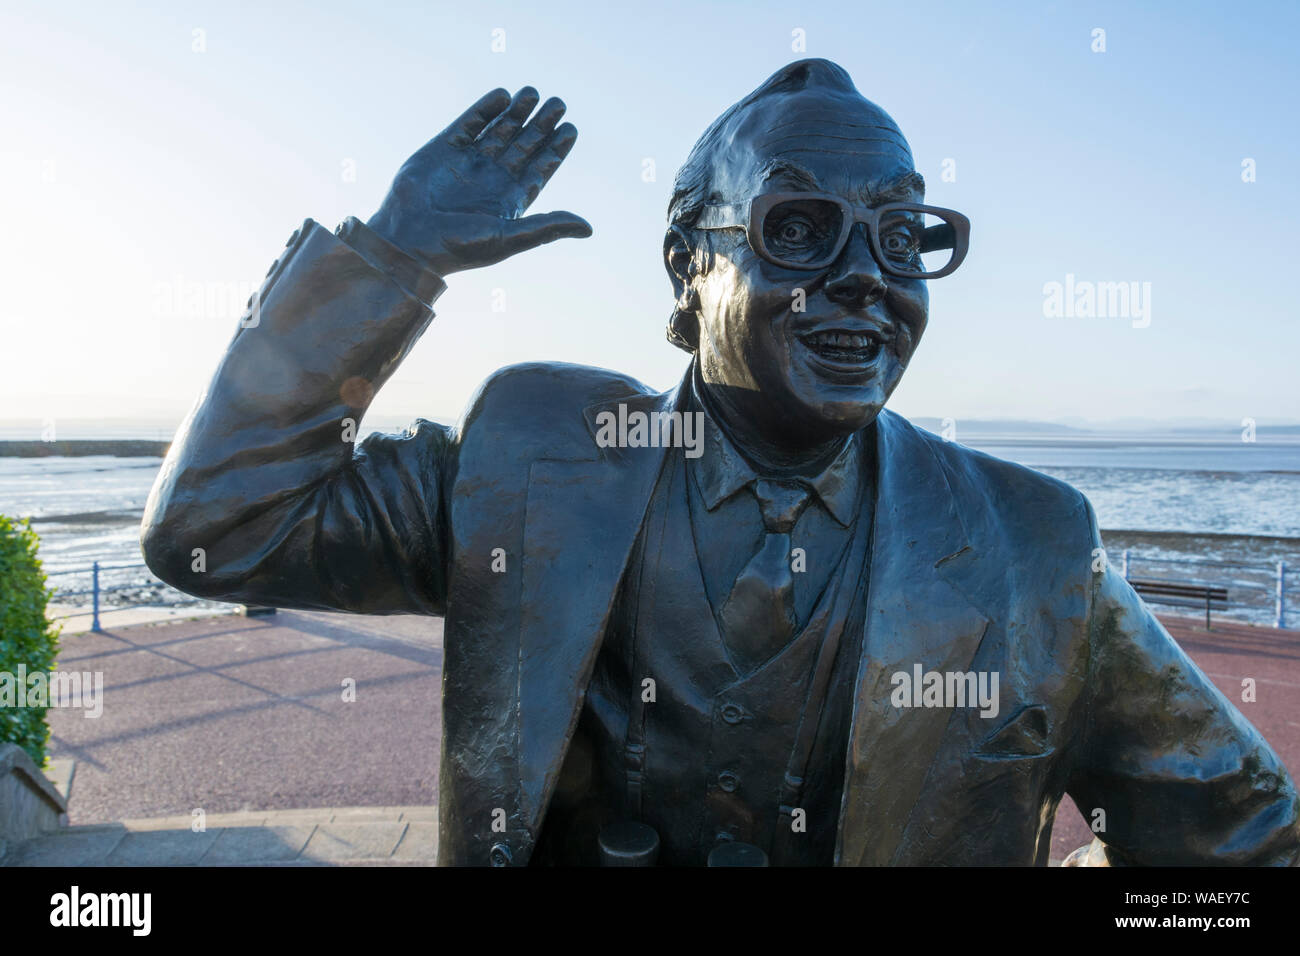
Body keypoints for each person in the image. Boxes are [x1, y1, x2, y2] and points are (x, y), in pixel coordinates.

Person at [142, 59, 1299, 866]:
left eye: (903, 236)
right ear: (685, 271)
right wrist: (390, 258)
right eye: (799, 230)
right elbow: (219, 525)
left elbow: (1241, 834)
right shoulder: (532, 459)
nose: (867, 277)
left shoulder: (1031, 544)